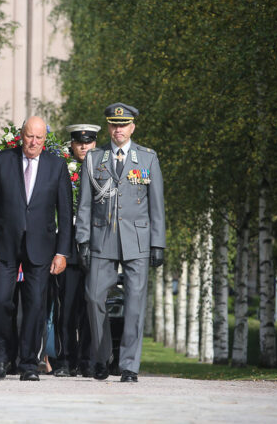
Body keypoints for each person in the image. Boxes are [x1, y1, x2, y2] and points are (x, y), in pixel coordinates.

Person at [0, 116, 73, 381]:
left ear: (45, 140)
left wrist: (62, 252)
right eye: (29, 136)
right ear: (21, 135)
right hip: (3, 246)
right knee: (0, 301)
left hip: (41, 248)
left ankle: (28, 364)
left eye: (39, 138)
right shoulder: (2, 161)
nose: (33, 142)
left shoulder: (57, 166)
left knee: (35, 306)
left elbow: (65, 214)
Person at [76, 103, 165, 383]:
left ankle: (129, 365)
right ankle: (102, 358)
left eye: (123, 125)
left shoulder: (148, 158)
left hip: (137, 239)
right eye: (114, 125)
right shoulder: (94, 158)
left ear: (132, 127)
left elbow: (156, 205)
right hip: (102, 238)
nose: (118, 129)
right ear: (108, 127)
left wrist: (158, 244)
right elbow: (85, 206)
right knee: (93, 297)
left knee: (135, 302)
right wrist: (83, 240)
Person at [50, 123, 100, 377]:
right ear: (71, 144)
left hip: (97, 243)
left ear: (94, 143)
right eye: (79, 142)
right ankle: (65, 360)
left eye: (89, 142)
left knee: (92, 305)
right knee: (67, 307)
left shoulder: (104, 168)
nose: (83, 146)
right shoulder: (61, 169)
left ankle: (89, 360)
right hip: (68, 243)